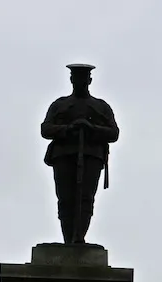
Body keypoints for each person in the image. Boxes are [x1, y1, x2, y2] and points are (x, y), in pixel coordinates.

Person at [41, 64, 119, 244]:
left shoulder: (100, 107)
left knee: (85, 198)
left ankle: (79, 238)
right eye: (76, 79)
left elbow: (114, 133)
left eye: (83, 80)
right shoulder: (60, 105)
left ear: (89, 81)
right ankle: (69, 239)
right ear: (71, 80)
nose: (80, 83)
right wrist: (68, 129)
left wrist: (91, 128)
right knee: (65, 198)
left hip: (92, 156)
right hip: (63, 155)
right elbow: (45, 129)